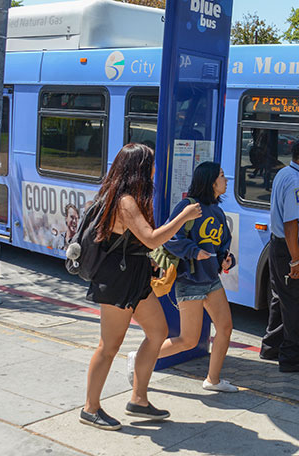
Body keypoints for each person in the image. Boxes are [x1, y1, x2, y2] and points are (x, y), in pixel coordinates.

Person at [81, 143, 202, 431]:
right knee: (109, 346)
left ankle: (138, 398)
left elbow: (140, 243)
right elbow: (150, 238)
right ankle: (90, 408)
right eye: (151, 163)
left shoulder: (131, 198)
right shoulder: (125, 201)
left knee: (158, 331)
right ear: (139, 169)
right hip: (117, 280)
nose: (155, 168)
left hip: (135, 276)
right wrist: (183, 217)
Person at [132, 162, 238, 393]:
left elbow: (222, 244)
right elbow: (171, 236)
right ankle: (139, 361)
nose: (226, 179)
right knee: (188, 340)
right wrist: (193, 251)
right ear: (210, 180)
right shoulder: (188, 206)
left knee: (225, 327)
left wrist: (225, 259)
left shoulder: (217, 211)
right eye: (221, 175)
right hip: (189, 280)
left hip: (211, 279)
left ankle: (213, 380)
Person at [259, 139, 299, 373]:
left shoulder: (284, 173)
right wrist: (296, 259)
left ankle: (271, 346)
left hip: (278, 245)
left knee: (280, 296)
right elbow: (291, 223)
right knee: (297, 302)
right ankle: (291, 356)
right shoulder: (297, 183)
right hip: (291, 246)